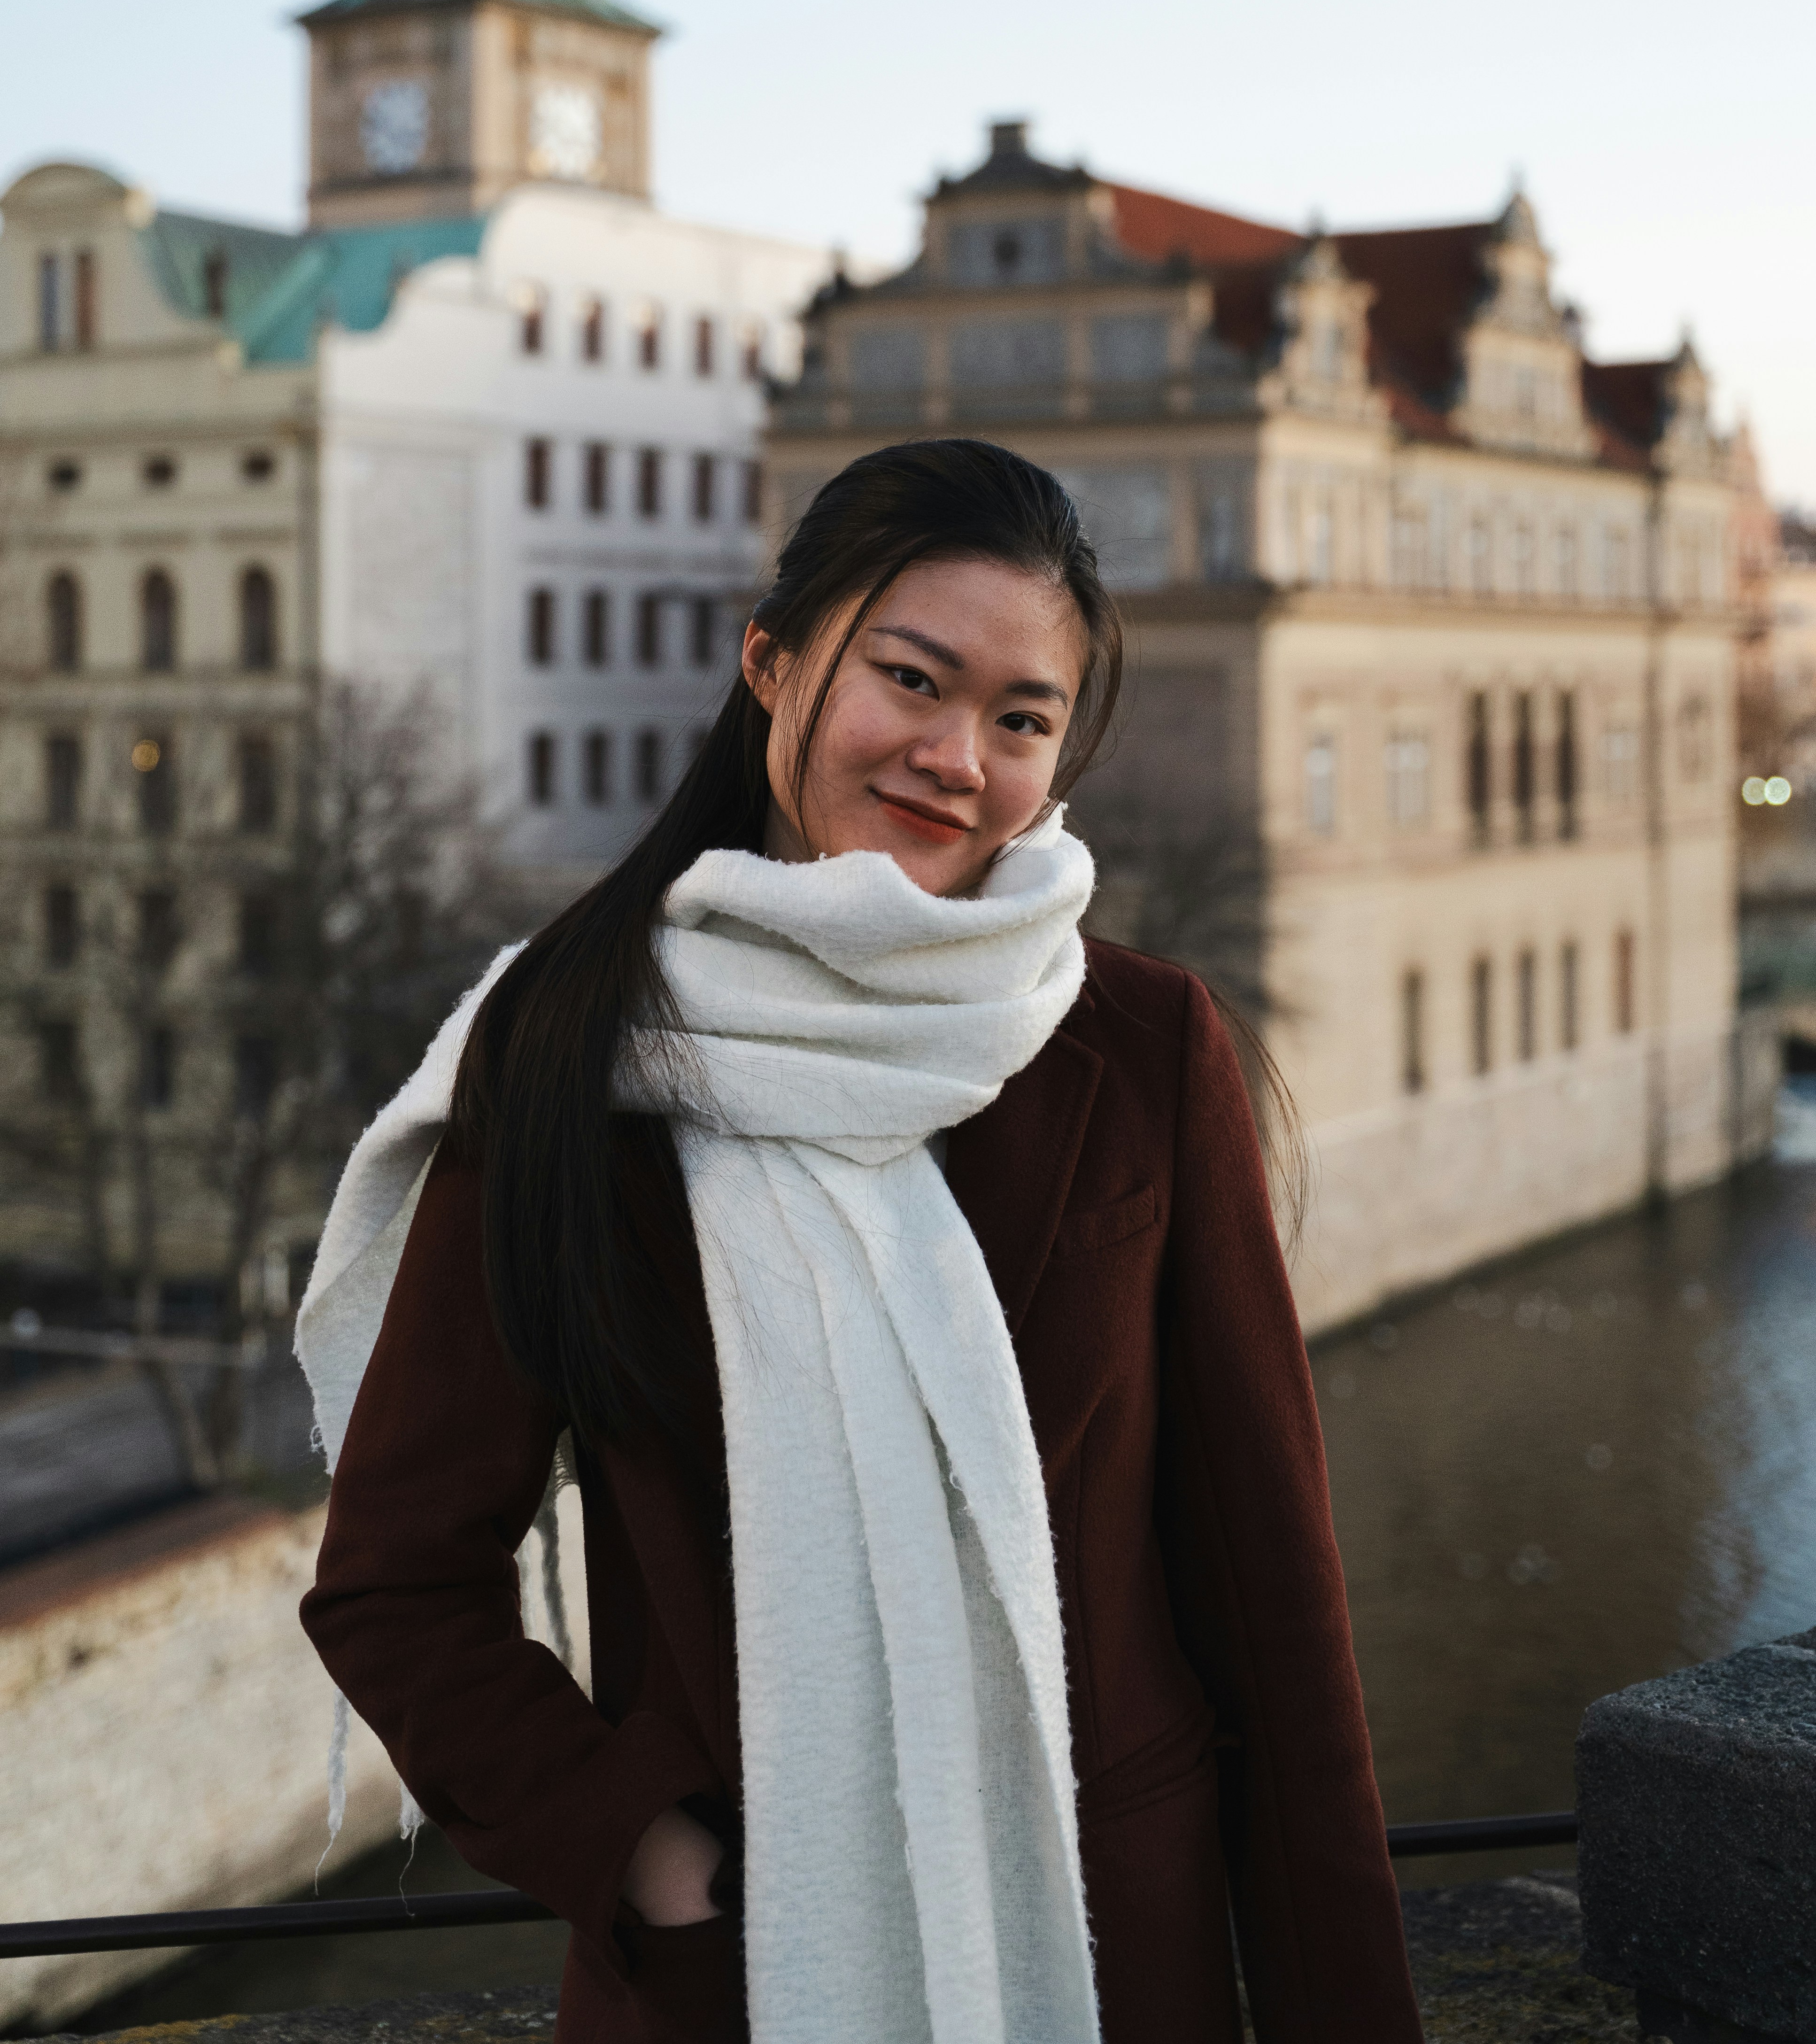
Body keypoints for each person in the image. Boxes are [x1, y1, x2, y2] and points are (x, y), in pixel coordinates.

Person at [297, 437, 1421, 2044]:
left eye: (1022, 718)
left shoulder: (1137, 1044)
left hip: (1110, 1944)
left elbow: (1270, 1600)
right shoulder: (576, 1058)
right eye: (913, 678)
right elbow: (397, 1582)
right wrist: (646, 1850)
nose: (959, 755)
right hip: (742, 1967)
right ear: (773, 662)